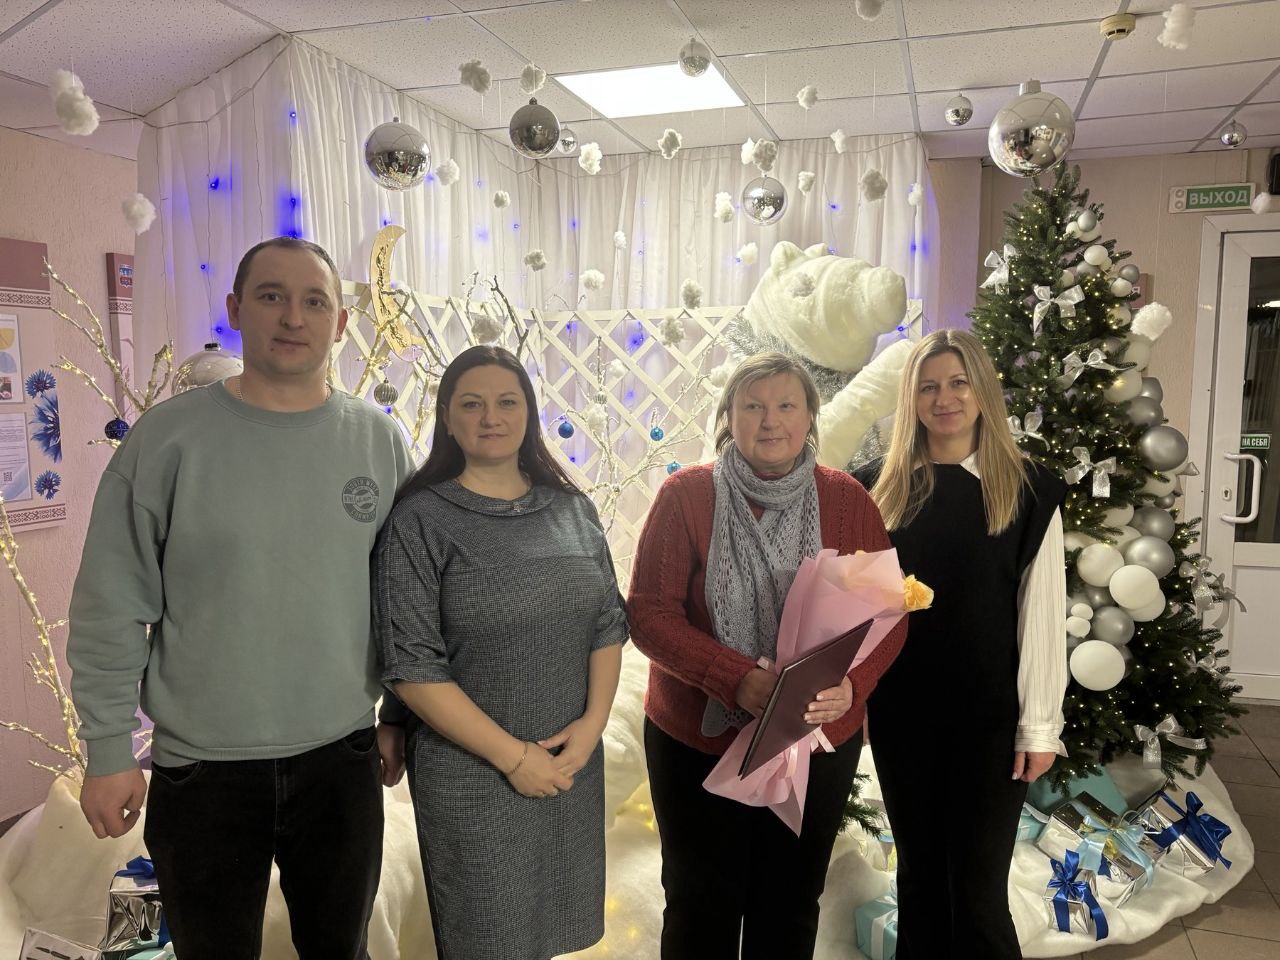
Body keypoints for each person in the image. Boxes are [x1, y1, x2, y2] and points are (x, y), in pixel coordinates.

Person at [68, 237, 416, 960]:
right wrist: (107, 749)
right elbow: (111, 602)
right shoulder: (168, 441)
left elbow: (407, 600)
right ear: (234, 309)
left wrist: (399, 715)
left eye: (314, 301)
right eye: (271, 296)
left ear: (340, 323)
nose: (293, 317)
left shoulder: (379, 442)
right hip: (204, 770)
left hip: (342, 758)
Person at [627, 351, 907, 960]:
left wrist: (852, 686)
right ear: (729, 415)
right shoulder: (685, 495)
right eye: (753, 405)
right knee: (700, 905)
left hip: (814, 740)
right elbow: (648, 615)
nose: (770, 420)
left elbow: (889, 615)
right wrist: (734, 679)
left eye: (786, 405)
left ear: (810, 416)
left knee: (789, 903)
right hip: (697, 741)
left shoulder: (846, 500)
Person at [374, 344, 627, 960]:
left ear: (530, 413)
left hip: (569, 760)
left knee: (548, 934)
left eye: (507, 402)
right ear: (447, 418)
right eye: (472, 404)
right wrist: (514, 759)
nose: (491, 417)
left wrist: (592, 727)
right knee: (488, 940)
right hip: (472, 773)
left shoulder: (573, 510)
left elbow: (606, 624)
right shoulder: (420, 521)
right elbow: (412, 665)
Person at [854, 329, 1068, 960]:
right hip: (902, 712)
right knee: (920, 881)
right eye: (928, 386)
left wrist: (1039, 727)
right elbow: (856, 609)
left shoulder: (1029, 491)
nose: (943, 399)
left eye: (957, 383)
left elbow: (1041, 615)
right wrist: (856, 697)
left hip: (988, 719)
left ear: (983, 391)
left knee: (977, 893)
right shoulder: (875, 489)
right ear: (911, 398)